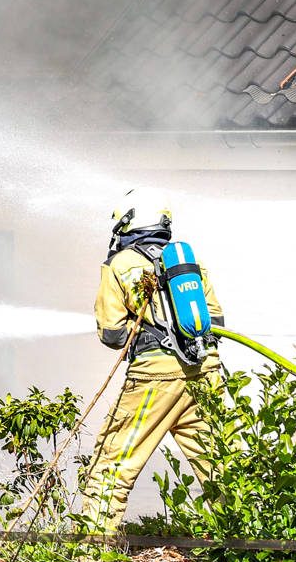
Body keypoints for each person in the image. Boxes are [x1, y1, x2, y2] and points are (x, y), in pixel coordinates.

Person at [79, 191, 224, 531]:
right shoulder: (188, 263)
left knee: (112, 463)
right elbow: (216, 320)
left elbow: (112, 334)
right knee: (220, 465)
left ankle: (89, 557)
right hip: (205, 372)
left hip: (154, 380)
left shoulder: (120, 265)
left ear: (126, 224)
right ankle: (249, 553)